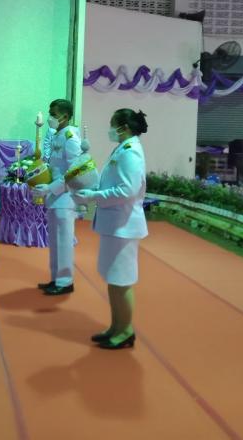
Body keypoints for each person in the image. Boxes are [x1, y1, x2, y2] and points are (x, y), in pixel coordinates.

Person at [74, 108, 148, 350]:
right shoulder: (123, 148)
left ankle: (126, 331)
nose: (110, 129)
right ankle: (116, 326)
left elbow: (127, 190)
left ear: (124, 127)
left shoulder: (131, 152)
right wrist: (93, 188)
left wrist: (94, 196)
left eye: (112, 124)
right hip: (115, 224)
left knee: (121, 281)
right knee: (113, 279)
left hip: (124, 225)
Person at [32, 99, 82, 295]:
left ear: (65, 116)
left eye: (54, 114)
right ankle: (55, 278)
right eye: (50, 113)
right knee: (54, 241)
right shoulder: (57, 135)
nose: (50, 117)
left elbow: (74, 171)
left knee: (64, 241)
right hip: (54, 195)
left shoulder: (71, 138)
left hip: (65, 196)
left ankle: (65, 281)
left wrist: (51, 187)